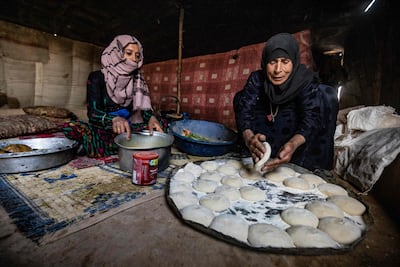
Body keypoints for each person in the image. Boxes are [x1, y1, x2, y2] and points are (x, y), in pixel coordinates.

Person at [233, 33, 338, 172]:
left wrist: (293, 144)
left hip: (294, 137)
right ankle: (255, 153)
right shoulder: (257, 79)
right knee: (240, 97)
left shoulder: (305, 81)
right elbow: (245, 109)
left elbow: (311, 118)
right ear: (265, 63)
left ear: (293, 61)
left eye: (284, 61)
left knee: (326, 95)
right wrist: (249, 138)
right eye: (272, 62)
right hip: (265, 134)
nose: (278, 70)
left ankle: (308, 166)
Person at [63, 35, 166, 157]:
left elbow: (143, 109)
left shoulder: (137, 81)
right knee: (72, 127)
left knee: (162, 122)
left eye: (137, 55)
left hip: (129, 128)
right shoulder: (97, 77)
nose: (134, 59)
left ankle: (108, 146)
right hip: (105, 129)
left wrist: (151, 118)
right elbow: (93, 113)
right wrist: (113, 119)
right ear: (116, 53)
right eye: (129, 53)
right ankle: (129, 144)